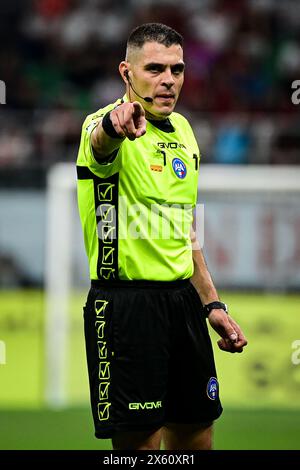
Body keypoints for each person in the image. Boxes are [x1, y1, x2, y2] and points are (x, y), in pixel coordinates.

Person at [76, 22, 247, 451]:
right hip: (127, 307)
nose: (168, 80)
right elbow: (101, 144)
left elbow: (186, 229)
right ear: (126, 72)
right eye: (154, 68)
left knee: (197, 436)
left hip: (183, 306)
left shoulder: (185, 132)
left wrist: (212, 304)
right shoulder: (102, 125)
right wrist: (116, 125)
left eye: (177, 69)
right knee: (140, 447)